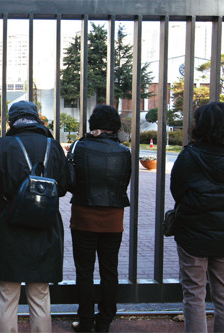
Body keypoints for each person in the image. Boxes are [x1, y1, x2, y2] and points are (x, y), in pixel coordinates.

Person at [0, 100, 70, 333]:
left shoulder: (2, 145)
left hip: (9, 224)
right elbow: (65, 185)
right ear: (37, 118)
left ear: (11, 121)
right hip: (45, 224)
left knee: (7, 294)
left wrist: (11, 191)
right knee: (40, 294)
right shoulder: (53, 145)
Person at [171, 101, 224, 332]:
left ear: (201, 125)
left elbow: (178, 191)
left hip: (193, 233)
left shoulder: (190, 155)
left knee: (194, 293)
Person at [66, 105, 131, 332]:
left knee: (84, 271)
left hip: (83, 215)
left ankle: (84, 322)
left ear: (93, 124)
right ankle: (104, 322)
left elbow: (69, 182)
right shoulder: (125, 152)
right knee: (109, 270)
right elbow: (124, 183)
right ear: (115, 126)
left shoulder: (79, 147)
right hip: (114, 218)